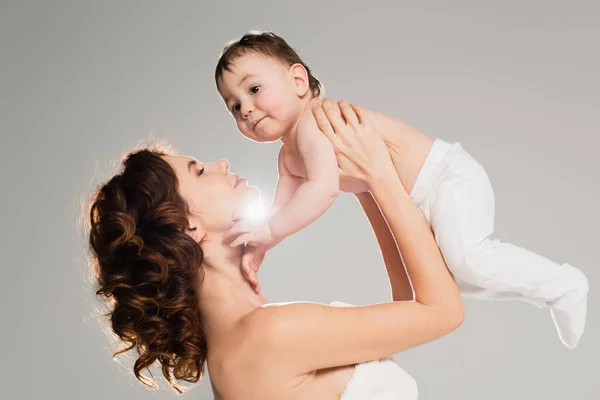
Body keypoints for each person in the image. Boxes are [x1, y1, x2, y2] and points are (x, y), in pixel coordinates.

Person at [214, 31, 588, 349]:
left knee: (469, 261)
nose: (245, 108)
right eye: (234, 106)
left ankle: (563, 284)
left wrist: (272, 230)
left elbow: (323, 190)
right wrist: (262, 246)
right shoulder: (288, 157)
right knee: (454, 278)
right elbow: (284, 212)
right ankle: (544, 293)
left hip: (445, 178)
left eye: (254, 89)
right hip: (415, 201)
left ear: (298, 81)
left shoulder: (315, 121)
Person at [87, 103, 463, 399]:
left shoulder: (242, 343)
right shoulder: (269, 334)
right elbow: (441, 312)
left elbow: (408, 306)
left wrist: (364, 187)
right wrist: (380, 173)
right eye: (199, 171)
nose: (221, 164)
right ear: (189, 227)